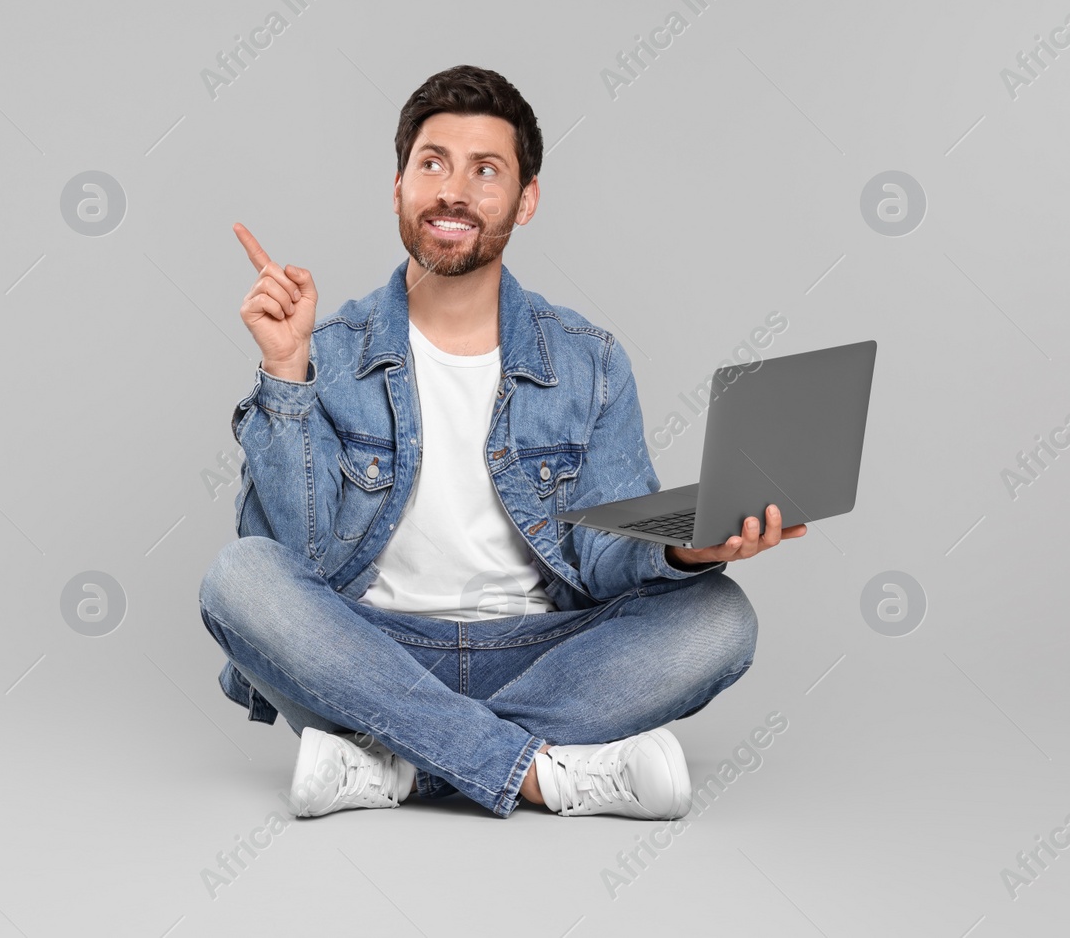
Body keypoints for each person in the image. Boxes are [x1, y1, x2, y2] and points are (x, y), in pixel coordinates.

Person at [197, 64, 805, 821]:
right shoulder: (330, 348)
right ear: (397, 188)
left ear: (526, 198)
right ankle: (543, 773)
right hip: (374, 650)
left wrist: (684, 549)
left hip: (545, 652)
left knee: (721, 617)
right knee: (239, 577)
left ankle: (402, 766)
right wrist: (285, 372)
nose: (453, 190)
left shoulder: (589, 360)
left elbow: (605, 560)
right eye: (432, 164)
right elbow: (297, 558)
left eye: (486, 170)